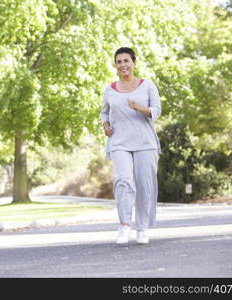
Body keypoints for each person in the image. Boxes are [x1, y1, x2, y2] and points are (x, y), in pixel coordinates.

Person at [100, 47, 161, 245]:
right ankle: (124, 225)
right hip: (119, 143)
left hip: (145, 142)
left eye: (126, 60)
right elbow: (104, 113)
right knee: (123, 181)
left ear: (134, 63)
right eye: (119, 61)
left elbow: (156, 111)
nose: (123, 64)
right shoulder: (109, 90)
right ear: (116, 66)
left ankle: (141, 228)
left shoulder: (147, 86)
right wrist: (106, 126)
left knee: (145, 186)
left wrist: (138, 107)